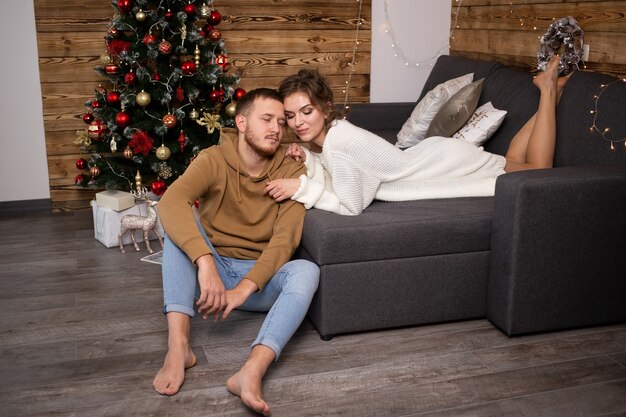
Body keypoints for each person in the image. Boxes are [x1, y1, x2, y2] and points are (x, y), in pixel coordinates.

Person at [152, 88, 320, 416]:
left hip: (258, 282)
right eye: (266, 119)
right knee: (176, 223)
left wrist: (244, 288)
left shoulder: (291, 167)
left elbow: (285, 241)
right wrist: (205, 263)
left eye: (281, 122)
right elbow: (171, 201)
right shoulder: (213, 160)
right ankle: (179, 346)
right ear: (242, 122)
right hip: (212, 276)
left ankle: (252, 370)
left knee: (307, 270)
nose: (277, 128)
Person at [265, 55, 568, 216]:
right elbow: (343, 172)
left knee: (539, 172)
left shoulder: (338, 140)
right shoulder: (333, 137)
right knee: (512, 159)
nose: (299, 123)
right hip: (433, 154)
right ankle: (550, 99)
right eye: (291, 116)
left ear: (325, 109)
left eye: (307, 111)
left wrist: (300, 187)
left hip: (445, 163)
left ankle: (547, 90)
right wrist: (309, 156)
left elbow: (350, 206)